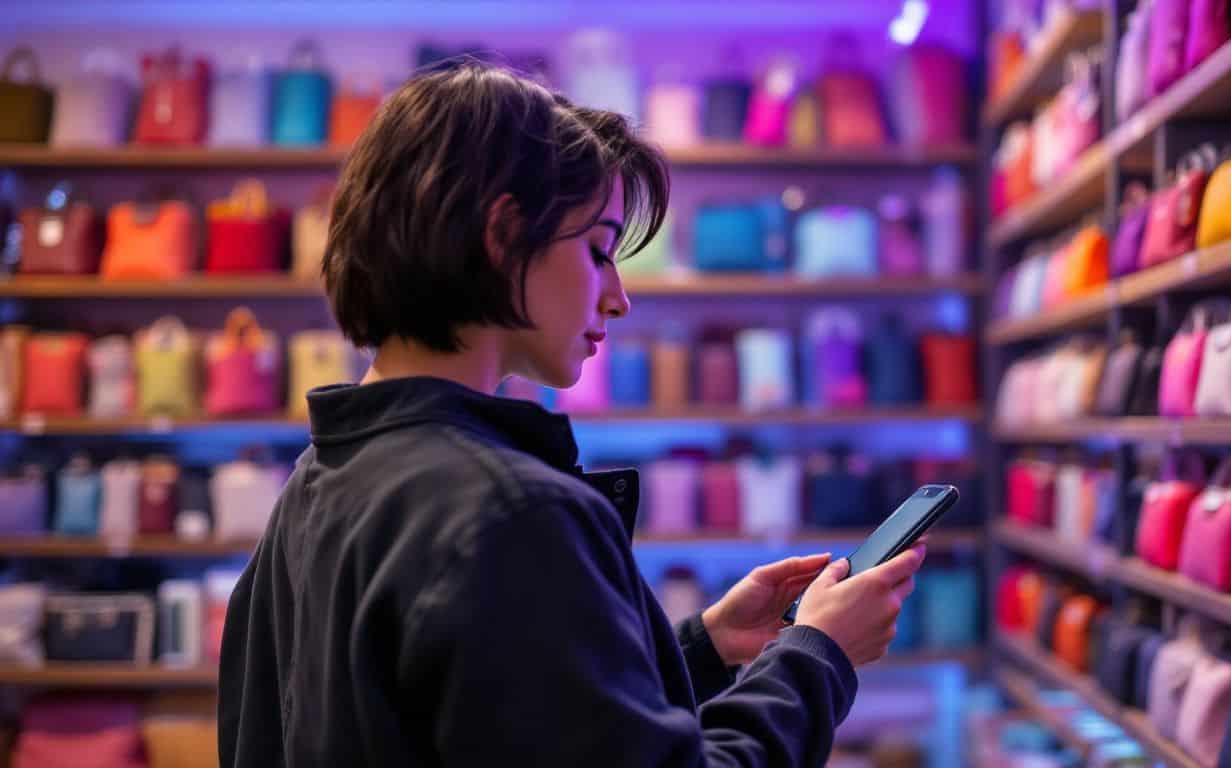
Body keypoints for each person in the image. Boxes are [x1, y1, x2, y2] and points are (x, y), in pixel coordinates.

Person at [217, 62, 925, 768]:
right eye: (597, 252)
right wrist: (819, 658)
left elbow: (489, 714)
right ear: (502, 235)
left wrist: (700, 649)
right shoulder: (509, 514)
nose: (618, 297)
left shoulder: (320, 483)